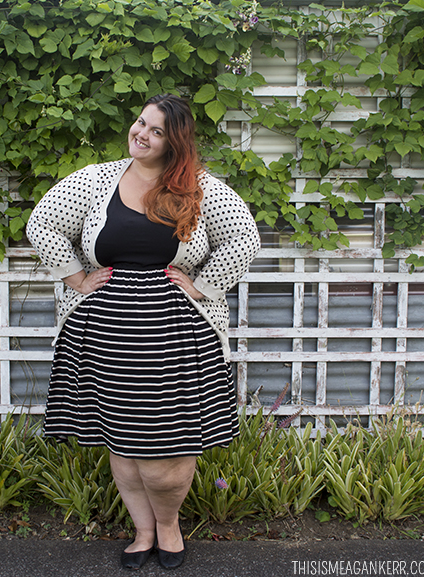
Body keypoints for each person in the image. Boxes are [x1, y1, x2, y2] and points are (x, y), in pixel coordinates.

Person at [26, 93, 260, 570]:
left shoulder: (199, 188)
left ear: (173, 143)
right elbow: (42, 224)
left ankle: (169, 528)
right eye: (140, 123)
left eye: (155, 131)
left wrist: (204, 286)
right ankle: (143, 531)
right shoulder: (95, 181)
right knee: (123, 439)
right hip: (104, 330)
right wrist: (76, 278)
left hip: (174, 331)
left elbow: (244, 237)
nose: (142, 134)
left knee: (167, 440)